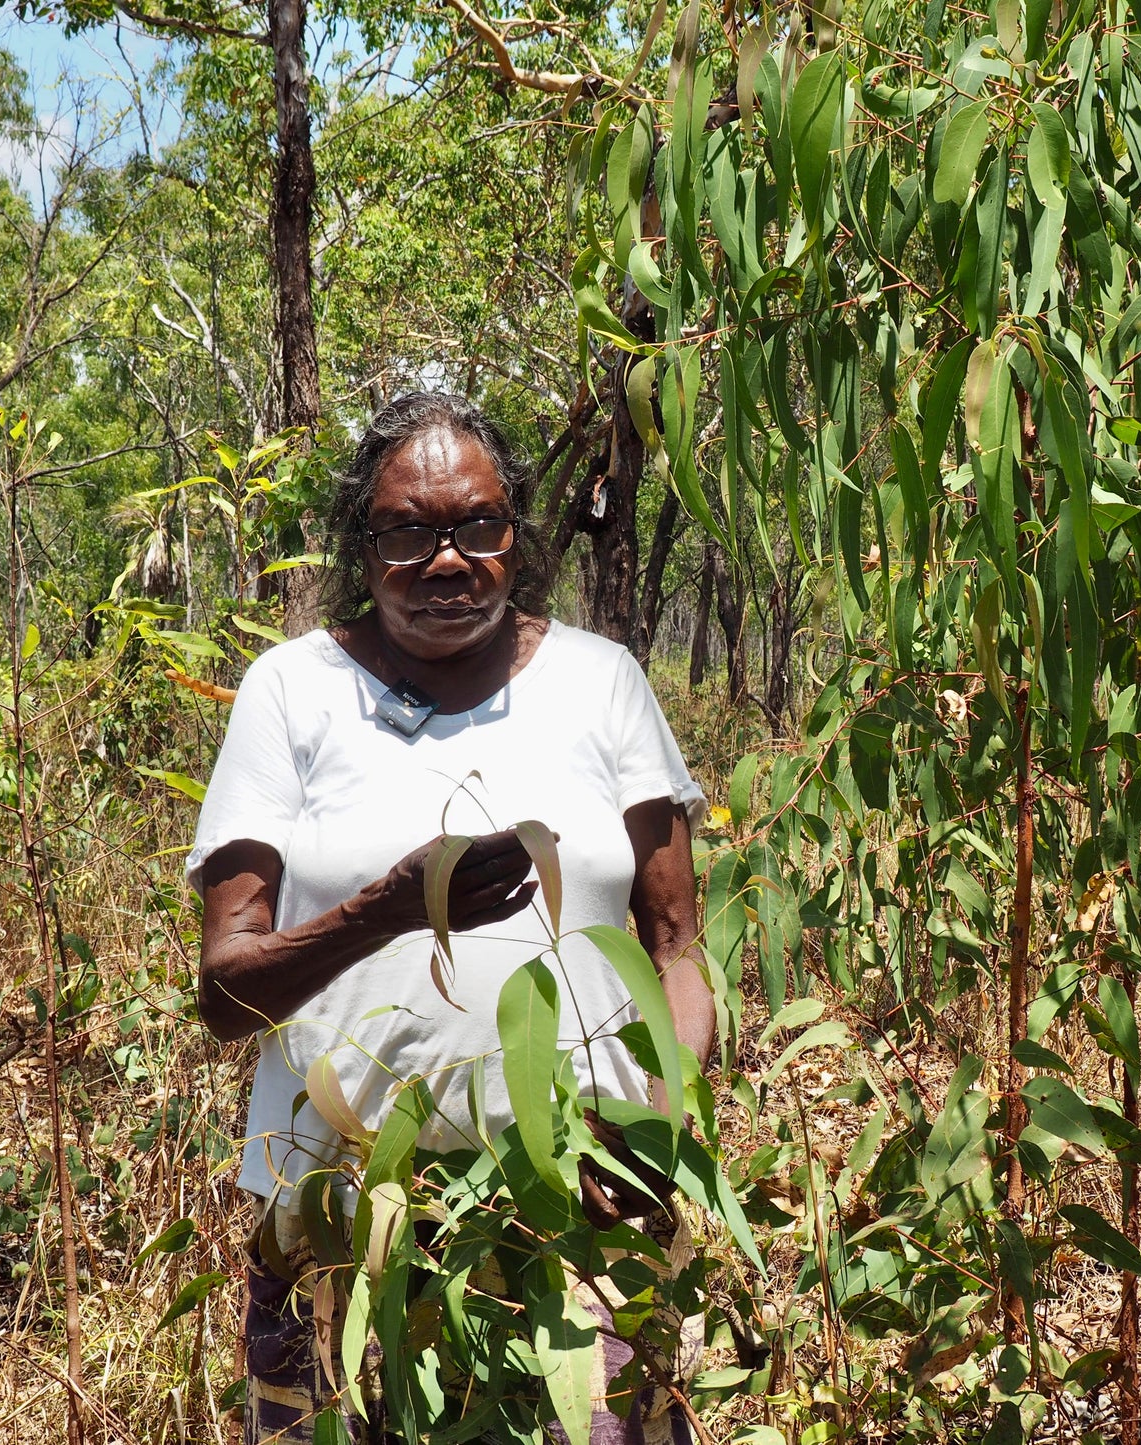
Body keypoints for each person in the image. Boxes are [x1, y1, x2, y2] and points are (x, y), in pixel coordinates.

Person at [187, 392, 714, 1444]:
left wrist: (657, 1133)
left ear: (516, 531)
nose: (445, 560)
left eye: (477, 525)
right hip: (342, 1222)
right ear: (361, 542)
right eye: (406, 531)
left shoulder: (601, 682)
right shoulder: (291, 691)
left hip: (579, 1216)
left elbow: (676, 948)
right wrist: (385, 910)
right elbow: (225, 995)